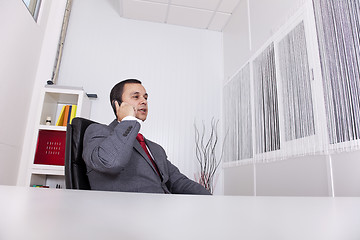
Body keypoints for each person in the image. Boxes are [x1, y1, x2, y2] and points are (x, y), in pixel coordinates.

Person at [83, 79, 211, 195]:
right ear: (117, 104)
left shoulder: (155, 148)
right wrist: (128, 120)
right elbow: (110, 163)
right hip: (129, 215)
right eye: (136, 96)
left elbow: (178, 181)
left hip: (165, 210)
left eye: (145, 97)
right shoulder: (97, 131)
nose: (144, 101)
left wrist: (211, 199)